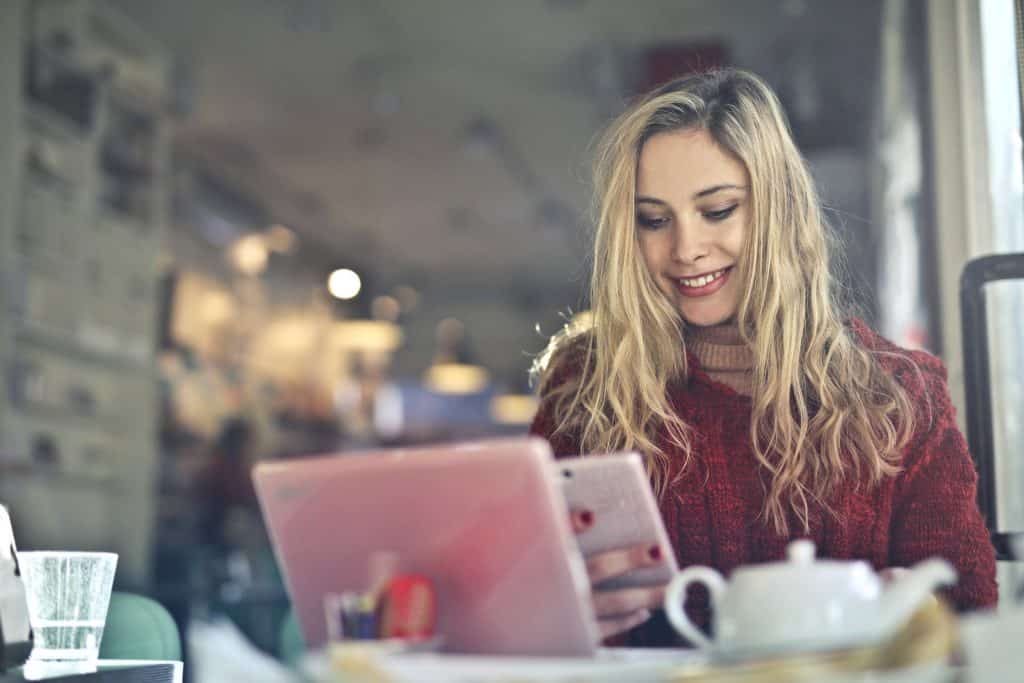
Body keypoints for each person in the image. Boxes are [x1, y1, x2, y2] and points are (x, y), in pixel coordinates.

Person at [529, 68, 998, 647]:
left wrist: (920, 609)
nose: (686, 248)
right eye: (653, 220)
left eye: (718, 210)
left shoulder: (902, 393)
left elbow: (970, 603)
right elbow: (521, 596)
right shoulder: (584, 385)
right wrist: (555, 607)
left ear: (779, 210)